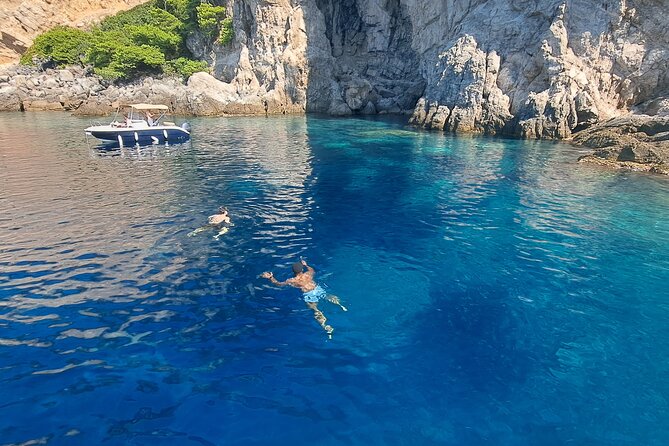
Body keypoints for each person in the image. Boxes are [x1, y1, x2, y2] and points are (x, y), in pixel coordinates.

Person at [261, 259, 346, 338]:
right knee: (328, 296)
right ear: (302, 270)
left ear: (293, 271)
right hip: (317, 289)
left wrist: (271, 277)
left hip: (309, 295)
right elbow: (312, 270)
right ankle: (341, 306)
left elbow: (279, 284)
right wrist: (306, 265)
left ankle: (325, 326)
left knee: (316, 310)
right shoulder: (308, 274)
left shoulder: (292, 280)